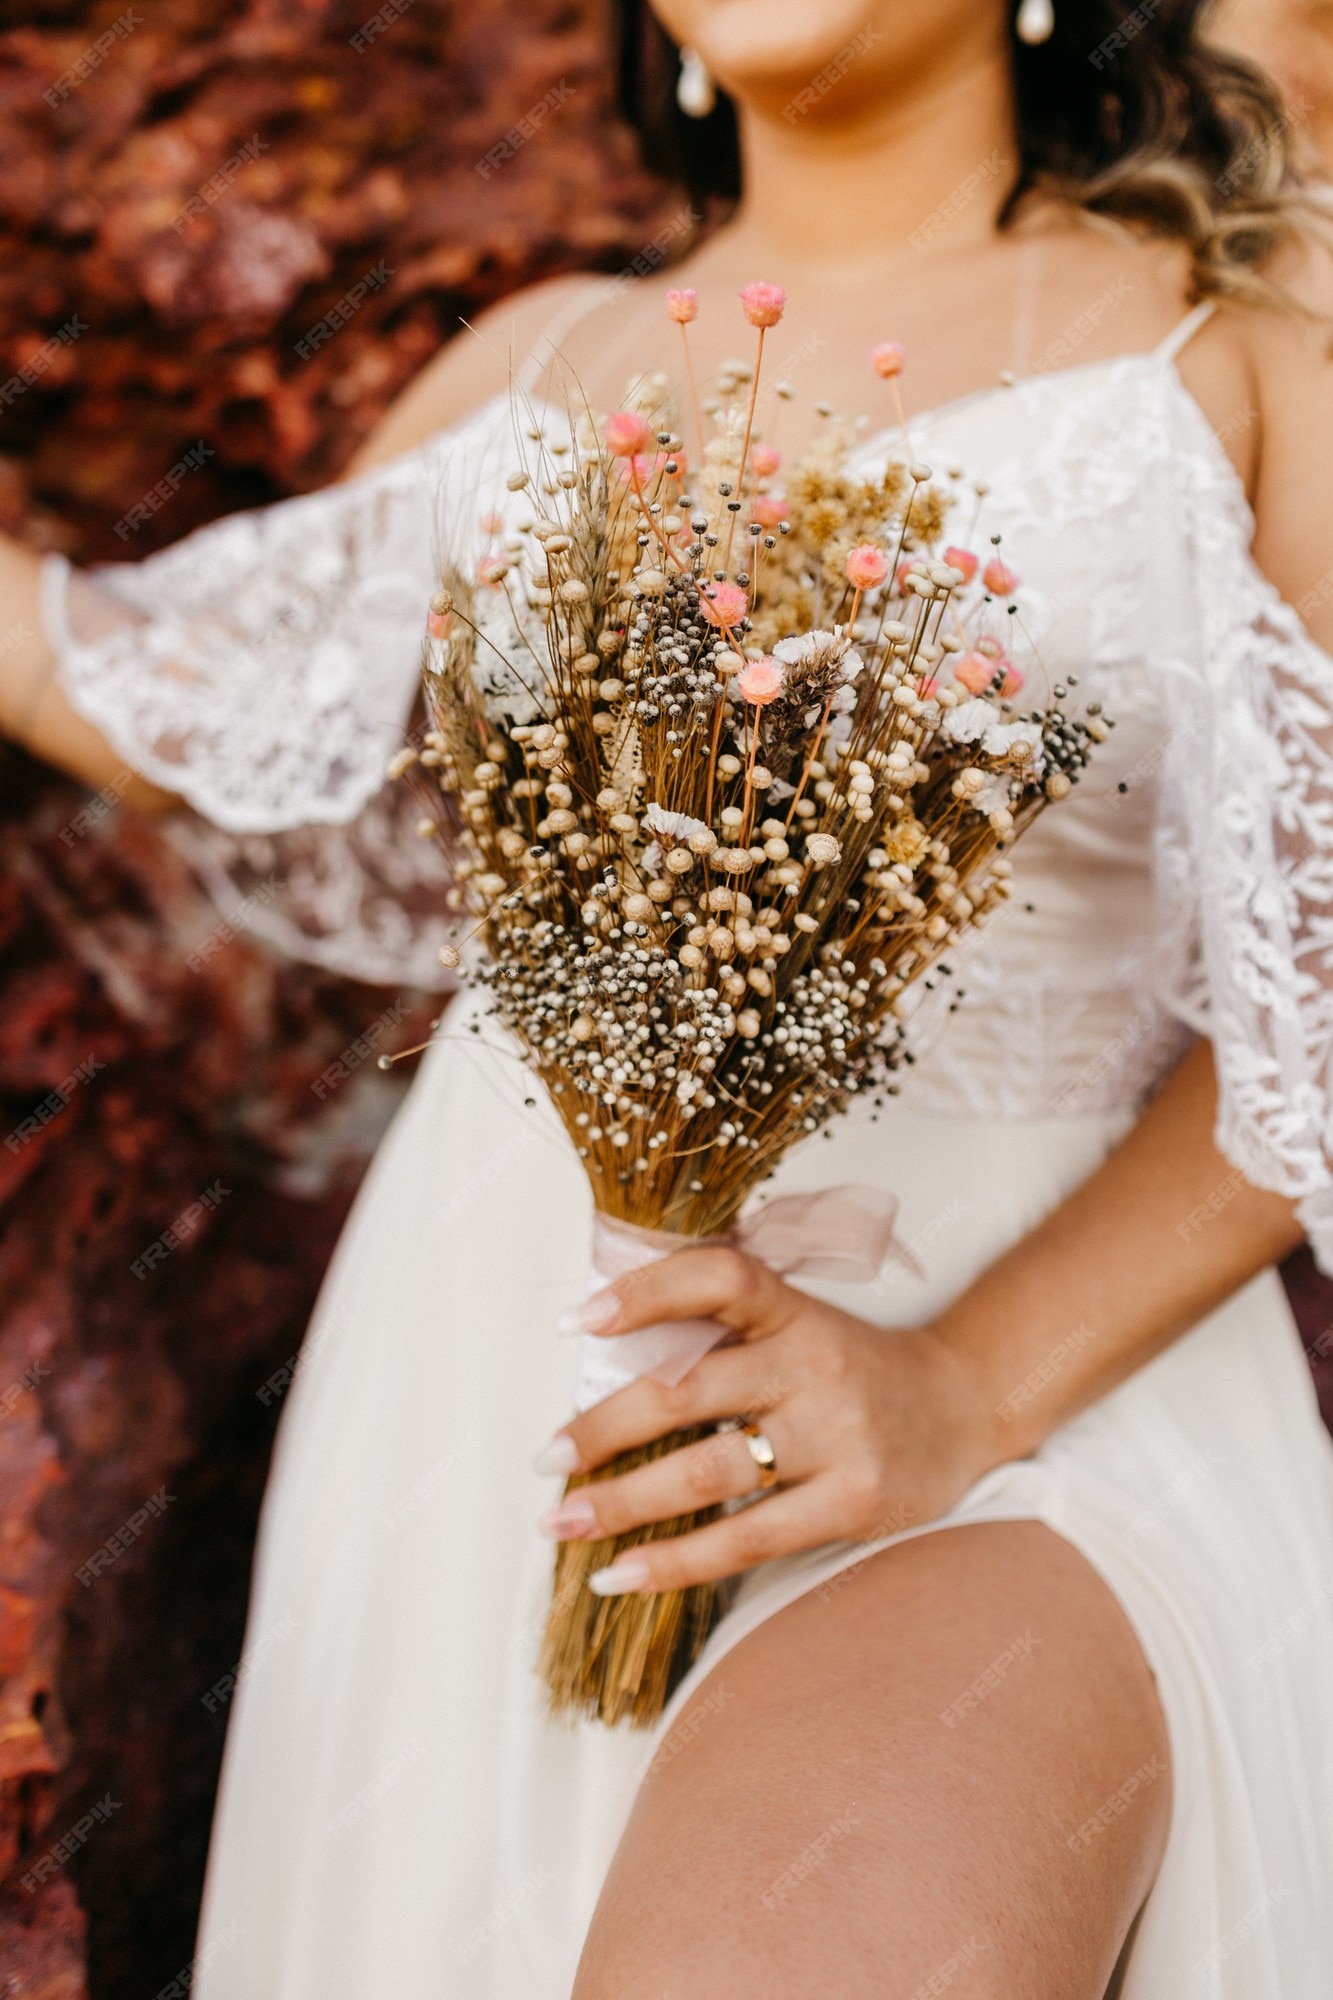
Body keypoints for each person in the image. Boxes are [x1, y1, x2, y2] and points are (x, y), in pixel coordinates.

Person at [5, 1, 1333, 1992]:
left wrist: (966, 1383)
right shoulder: (532, 365)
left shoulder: (1236, 352)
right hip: (490, 1409)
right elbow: (169, 694)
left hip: (1060, 1394)